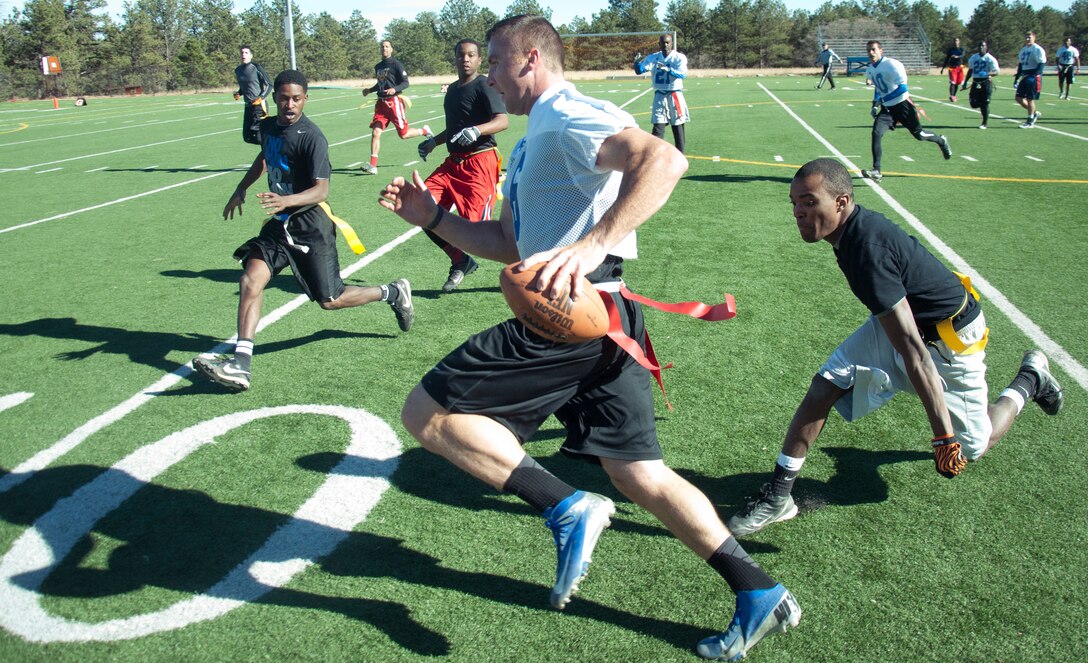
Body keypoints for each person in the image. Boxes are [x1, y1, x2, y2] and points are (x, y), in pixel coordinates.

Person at [379, 15, 800, 661]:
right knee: (641, 474)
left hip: (569, 318)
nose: (487, 75)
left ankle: (566, 506)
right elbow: (510, 245)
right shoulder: (528, 142)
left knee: (427, 412)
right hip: (603, 320)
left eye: (494, 61)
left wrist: (593, 243)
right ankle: (758, 590)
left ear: (528, 59)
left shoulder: (567, 114)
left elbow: (664, 158)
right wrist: (434, 217)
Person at [726, 158, 1065, 537]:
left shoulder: (866, 249)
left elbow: (915, 353)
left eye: (808, 202)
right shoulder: (849, 233)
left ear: (840, 201)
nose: (798, 213)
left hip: (949, 338)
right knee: (824, 385)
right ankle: (778, 497)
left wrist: (943, 436)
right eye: (793, 203)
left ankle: (1028, 381)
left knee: (974, 444)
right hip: (907, 325)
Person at [193, 70, 414, 392]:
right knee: (250, 279)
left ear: (305, 99)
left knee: (331, 299)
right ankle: (241, 363)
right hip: (279, 226)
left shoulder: (312, 137)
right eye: (284, 98)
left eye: (296, 98)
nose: (289, 104)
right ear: (275, 99)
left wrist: (287, 199)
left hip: (311, 227)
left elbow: (321, 190)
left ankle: (392, 292)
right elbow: (265, 156)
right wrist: (241, 188)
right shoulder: (268, 127)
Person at [417, 38, 509, 293]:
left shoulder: (484, 85)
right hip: (452, 165)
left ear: (479, 59)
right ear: (455, 58)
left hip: (479, 163)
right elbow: (455, 129)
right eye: (461, 55)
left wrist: (477, 130)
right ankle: (460, 260)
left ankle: (532, 266)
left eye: (471, 55)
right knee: (421, 207)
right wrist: (433, 142)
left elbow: (502, 120)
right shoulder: (454, 90)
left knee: (478, 233)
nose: (465, 59)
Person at [860, 40, 951, 184]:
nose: (870, 53)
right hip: (887, 109)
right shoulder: (870, 69)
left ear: (880, 50)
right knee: (876, 133)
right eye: (868, 50)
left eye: (873, 49)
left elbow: (903, 88)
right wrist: (875, 105)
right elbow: (878, 89)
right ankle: (876, 170)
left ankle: (941, 140)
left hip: (903, 106)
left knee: (919, 135)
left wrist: (884, 99)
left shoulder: (892, 64)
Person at [361, 40, 432, 175]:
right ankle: (373, 165)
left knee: (403, 135)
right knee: (376, 132)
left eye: (387, 47)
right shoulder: (378, 66)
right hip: (381, 104)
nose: (384, 49)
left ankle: (423, 131)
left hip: (394, 103)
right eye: (382, 47)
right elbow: (381, 84)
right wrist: (369, 90)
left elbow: (405, 83)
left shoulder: (396, 65)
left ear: (391, 49)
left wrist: (395, 89)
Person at [633, 34, 689, 153]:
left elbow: (683, 74)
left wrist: (668, 70)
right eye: (663, 43)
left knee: (677, 125)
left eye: (667, 42)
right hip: (659, 94)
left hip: (674, 94)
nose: (665, 45)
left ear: (672, 43)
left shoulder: (679, 57)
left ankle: (680, 154)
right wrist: (637, 63)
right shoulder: (653, 57)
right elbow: (640, 71)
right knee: (658, 125)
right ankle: (655, 154)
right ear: (659, 44)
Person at [234, 45, 272, 145]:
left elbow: (269, 84)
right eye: (242, 52)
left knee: (259, 136)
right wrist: (239, 93)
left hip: (259, 106)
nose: (243, 54)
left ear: (251, 56)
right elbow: (245, 86)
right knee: (247, 137)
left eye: (246, 53)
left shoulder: (256, 67)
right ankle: (269, 145)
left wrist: (261, 98)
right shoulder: (238, 70)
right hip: (248, 106)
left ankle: (270, 151)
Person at [962, 41, 1000, 129]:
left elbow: (997, 71)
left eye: (983, 46)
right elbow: (970, 70)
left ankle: (984, 122)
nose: (981, 48)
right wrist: (965, 82)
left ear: (986, 47)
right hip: (975, 82)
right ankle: (983, 105)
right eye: (979, 46)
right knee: (973, 104)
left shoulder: (990, 58)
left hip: (986, 82)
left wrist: (987, 73)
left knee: (985, 103)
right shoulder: (973, 57)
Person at [1014, 32, 1047, 128]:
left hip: (1033, 75)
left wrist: (1035, 75)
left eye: (1029, 37)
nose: (1028, 39)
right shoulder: (1023, 50)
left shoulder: (1037, 49)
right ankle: (1034, 113)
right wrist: (1017, 77)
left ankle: (1030, 120)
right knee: (1018, 98)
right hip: (1025, 75)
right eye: (1026, 37)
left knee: (1030, 98)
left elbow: (1041, 63)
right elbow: (1020, 65)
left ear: (1034, 38)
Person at [940, 38, 966, 102]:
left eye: (957, 41)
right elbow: (947, 59)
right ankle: (951, 95)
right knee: (953, 82)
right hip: (952, 68)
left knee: (957, 82)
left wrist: (958, 57)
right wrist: (943, 68)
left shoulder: (961, 49)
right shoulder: (951, 50)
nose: (955, 42)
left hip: (959, 68)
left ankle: (954, 95)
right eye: (954, 41)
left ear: (959, 42)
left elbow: (962, 55)